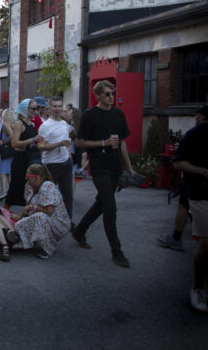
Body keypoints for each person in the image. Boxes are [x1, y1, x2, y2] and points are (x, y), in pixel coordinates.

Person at [72, 80, 135, 268]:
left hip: (115, 166)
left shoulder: (118, 114)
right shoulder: (90, 115)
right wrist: (103, 143)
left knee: (102, 203)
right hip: (99, 167)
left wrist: (129, 166)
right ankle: (117, 251)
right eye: (107, 94)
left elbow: (122, 142)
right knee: (110, 207)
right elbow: (81, 142)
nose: (111, 97)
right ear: (98, 95)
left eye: (112, 93)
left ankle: (80, 230)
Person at [157, 105, 208, 252]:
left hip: (196, 185)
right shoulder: (197, 132)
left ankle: (179, 237)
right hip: (194, 183)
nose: (195, 118)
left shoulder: (196, 132)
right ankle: (177, 237)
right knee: (184, 206)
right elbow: (178, 162)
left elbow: (177, 162)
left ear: (202, 116)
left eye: (196, 115)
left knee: (185, 207)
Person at [171, 112, 208, 312]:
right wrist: (203, 171)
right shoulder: (199, 132)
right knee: (207, 242)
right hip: (202, 193)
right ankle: (197, 287)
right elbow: (177, 163)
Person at [8, 164, 71, 259]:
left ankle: (47, 248)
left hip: (58, 224)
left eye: (28, 177)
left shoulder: (48, 186)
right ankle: (23, 238)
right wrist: (21, 217)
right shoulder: (29, 187)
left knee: (40, 217)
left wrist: (33, 207)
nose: (26, 179)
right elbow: (29, 208)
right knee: (20, 224)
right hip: (46, 220)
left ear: (36, 177)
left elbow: (49, 211)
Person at [0, 99, 44, 207]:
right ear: (25, 109)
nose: (36, 111)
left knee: (28, 190)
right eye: (33, 109)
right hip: (20, 160)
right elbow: (14, 143)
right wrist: (32, 140)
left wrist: (40, 143)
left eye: (36, 108)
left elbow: (32, 142)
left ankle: (26, 216)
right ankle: (3, 214)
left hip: (29, 159)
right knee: (14, 189)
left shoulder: (32, 125)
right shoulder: (19, 124)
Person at [38, 96, 74, 219]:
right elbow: (41, 147)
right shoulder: (45, 126)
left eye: (59, 106)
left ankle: (68, 221)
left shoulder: (64, 123)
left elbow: (67, 140)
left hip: (65, 163)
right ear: (50, 108)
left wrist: (68, 155)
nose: (57, 109)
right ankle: (44, 220)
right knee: (48, 195)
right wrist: (59, 144)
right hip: (51, 165)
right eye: (55, 106)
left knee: (68, 195)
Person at [0, 108, 16, 202]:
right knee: (9, 172)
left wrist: (4, 142)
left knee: (3, 171)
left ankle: (4, 191)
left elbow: (12, 136)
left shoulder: (5, 124)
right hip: (10, 151)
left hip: (6, 152)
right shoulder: (13, 125)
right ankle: (11, 192)